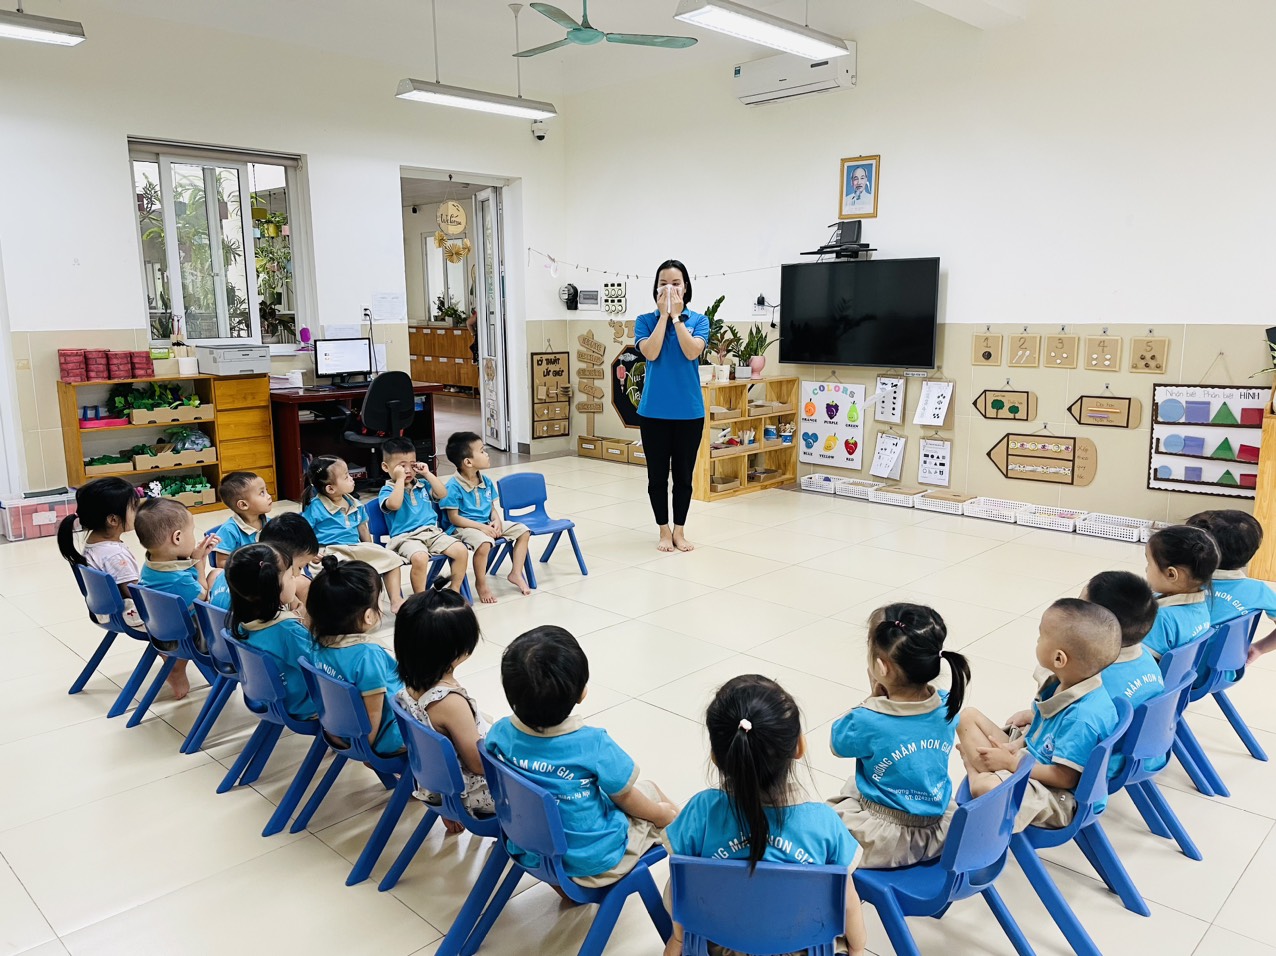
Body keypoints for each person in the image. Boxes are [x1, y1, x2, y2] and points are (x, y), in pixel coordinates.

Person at [665, 675, 868, 956]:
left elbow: (681, 890)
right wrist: (857, 948)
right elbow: (847, 902)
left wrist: (678, 939)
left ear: (716, 756)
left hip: (721, 945)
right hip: (799, 948)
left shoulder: (700, 811)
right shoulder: (824, 823)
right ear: (799, 747)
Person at [485, 626, 678, 889]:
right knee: (651, 793)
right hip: (591, 858)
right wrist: (659, 815)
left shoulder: (500, 733)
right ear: (581, 692)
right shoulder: (592, 744)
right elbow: (624, 796)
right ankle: (697, 852)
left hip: (529, 845)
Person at [958, 599, 1121, 833]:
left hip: (1057, 794)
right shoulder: (1067, 683)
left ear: (1059, 658)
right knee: (967, 716)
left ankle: (976, 771)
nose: (1037, 640)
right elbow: (1044, 730)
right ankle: (993, 772)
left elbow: (1065, 778)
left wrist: (1011, 763)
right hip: (1032, 756)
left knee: (985, 786)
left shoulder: (1081, 718)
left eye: (1041, 635)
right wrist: (1015, 746)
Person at [826, 604, 970, 869]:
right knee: (855, 786)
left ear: (881, 667)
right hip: (938, 824)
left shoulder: (868, 719)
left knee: (823, 828)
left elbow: (837, 743)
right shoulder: (946, 703)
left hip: (888, 838)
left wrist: (871, 701)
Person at [393, 583, 493, 827]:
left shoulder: (410, 687)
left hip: (436, 786)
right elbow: (478, 764)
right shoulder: (450, 702)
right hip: (473, 797)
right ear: (457, 647)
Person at [634, 259, 709, 553]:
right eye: (663, 284)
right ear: (655, 288)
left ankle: (679, 530)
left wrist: (677, 318)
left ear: (685, 288)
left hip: (689, 412)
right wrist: (663, 317)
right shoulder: (644, 321)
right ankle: (663, 530)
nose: (669, 289)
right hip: (653, 413)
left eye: (676, 284)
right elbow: (651, 353)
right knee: (656, 477)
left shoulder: (699, 321)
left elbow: (692, 352)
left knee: (683, 477)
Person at [306, 556, 405, 756]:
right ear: (368, 616)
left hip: (339, 729)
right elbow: (373, 712)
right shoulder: (368, 656)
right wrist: (366, 750)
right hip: (386, 736)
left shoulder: (316, 645)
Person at [133, 497, 221, 700]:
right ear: (178, 538)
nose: (194, 537)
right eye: (192, 532)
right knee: (217, 578)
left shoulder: (151, 563)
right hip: (188, 637)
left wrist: (193, 557)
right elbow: (202, 594)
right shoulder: (178, 580)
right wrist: (199, 560)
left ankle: (175, 665)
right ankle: (177, 668)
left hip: (159, 628)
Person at [300, 454, 407, 612]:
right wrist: (311, 553)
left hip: (355, 548)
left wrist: (372, 549)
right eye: (346, 477)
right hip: (331, 551)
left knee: (392, 558)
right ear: (330, 488)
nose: (351, 479)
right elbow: (302, 532)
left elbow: (363, 529)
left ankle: (396, 600)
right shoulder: (316, 507)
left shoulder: (354, 503)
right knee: (344, 574)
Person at [1083, 571, 1165, 777]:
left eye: (1079, 608)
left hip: (1102, 766)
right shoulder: (1147, 656)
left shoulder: (1091, 679)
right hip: (1148, 753)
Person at [225, 542, 315, 718]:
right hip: (302, 705)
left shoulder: (240, 624)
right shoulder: (289, 631)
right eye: (291, 576)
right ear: (273, 587)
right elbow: (322, 667)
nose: (295, 579)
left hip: (268, 699)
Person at [439, 432, 530, 604]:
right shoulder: (452, 487)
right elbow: (454, 518)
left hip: (486, 524)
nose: (487, 454)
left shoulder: (485, 481)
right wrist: (482, 528)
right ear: (468, 462)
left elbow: (491, 507)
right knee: (484, 543)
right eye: (482, 451)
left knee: (523, 531)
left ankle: (516, 573)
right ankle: (481, 583)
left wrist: (496, 520)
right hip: (462, 528)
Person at [378, 436, 470, 596]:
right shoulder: (387, 490)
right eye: (402, 466)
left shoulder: (423, 485)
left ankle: (454, 591)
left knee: (461, 551)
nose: (408, 470)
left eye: (412, 464)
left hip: (432, 533)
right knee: (420, 558)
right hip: (405, 538)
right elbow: (395, 504)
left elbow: (442, 493)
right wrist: (399, 480)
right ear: (386, 467)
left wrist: (427, 474)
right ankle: (421, 597)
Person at [1186, 510, 1276, 663]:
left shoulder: (1178, 585)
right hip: (1226, 669)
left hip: (1179, 673)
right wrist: (1260, 648)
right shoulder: (1259, 591)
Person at [57, 477, 145, 630]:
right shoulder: (116, 556)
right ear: (113, 520)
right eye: (134, 508)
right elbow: (135, 594)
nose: (138, 512)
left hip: (105, 614)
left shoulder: (93, 544)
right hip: (130, 617)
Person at [210, 512, 320, 615]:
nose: (297, 574)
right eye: (300, 567)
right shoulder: (265, 597)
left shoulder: (225, 575)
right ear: (283, 560)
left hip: (214, 626)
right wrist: (299, 614)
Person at [1142, 525, 1219, 660]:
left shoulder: (1160, 618)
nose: (1146, 569)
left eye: (1149, 563)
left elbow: (1142, 663)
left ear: (1171, 574)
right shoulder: (1201, 607)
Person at [211, 471, 273, 560]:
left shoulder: (271, 524)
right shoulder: (229, 531)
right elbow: (222, 562)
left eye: (267, 490)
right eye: (262, 493)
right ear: (243, 505)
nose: (269, 496)